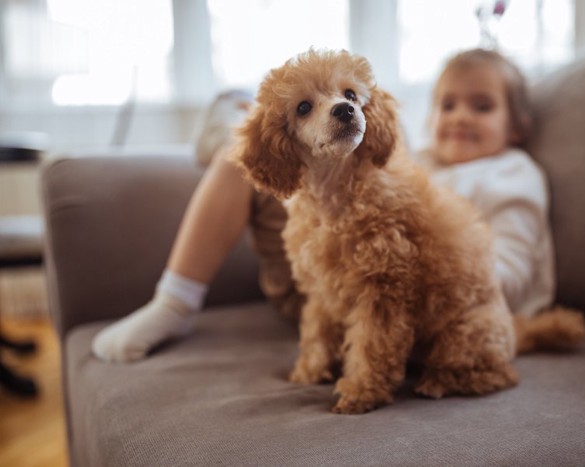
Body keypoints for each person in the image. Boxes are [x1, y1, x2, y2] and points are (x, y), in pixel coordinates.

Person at [92, 49, 554, 363]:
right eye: (447, 105)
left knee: (239, 154)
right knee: (260, 137)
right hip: (324, 261)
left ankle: (232, 124)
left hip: (403, 298)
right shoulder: (422, 157)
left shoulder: (512, 173)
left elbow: (505, 274)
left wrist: (443, 271)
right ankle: (242, 121)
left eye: (481, 106)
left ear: (517, 127)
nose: (459, 118)